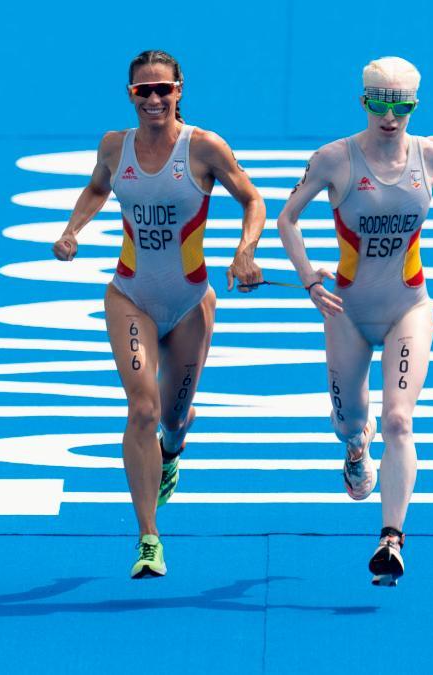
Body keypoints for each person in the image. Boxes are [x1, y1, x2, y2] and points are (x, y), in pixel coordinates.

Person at [277, 56, 433, 585]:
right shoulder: (334, 159)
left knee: (399, 419)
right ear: (363, 102)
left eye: (401, 106)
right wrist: (309, 280)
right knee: (353, 421)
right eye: (379, 103)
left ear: (414, 105)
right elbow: (286, 218)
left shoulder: (432, 152)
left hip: (407, 307)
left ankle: (391, 540)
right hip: (347, 312)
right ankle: (354, 445)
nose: (390, 116)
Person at [52, 49, 264, 578]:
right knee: (142, 409)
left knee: (170, 418)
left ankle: (174, 448)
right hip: (131, 296)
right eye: (141, 91)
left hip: (192, 303)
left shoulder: (204, 148)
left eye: (162, 90)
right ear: (129, 95)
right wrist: (72, 229)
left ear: (179, 90)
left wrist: (246, 251)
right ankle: (148, 538)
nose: (152, 100)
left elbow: (253, 200)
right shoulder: (113, 146)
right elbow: (99, 187)